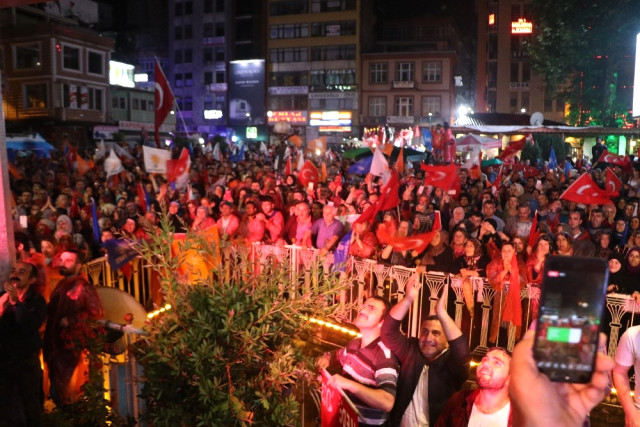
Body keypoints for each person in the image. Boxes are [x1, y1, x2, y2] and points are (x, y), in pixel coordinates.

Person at [381, 273, 470, 426]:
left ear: (447, 341)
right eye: (425, 332)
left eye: (436, 333)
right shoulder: (412, 349)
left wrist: (441, 313)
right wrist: (408, 299)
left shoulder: (452, 363)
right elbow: (388, 332)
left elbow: (462, 353)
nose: (428, 338)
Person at [316, 297, 399, 426]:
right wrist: (327, 358)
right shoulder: (355, 343)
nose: (363, 309)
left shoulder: (384, 356)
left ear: (382, 322)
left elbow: (387, 402)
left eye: (371, 308)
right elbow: (337, 355)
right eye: (364, 305)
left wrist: (349, 384)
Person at [511, 328, 613, 426]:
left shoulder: (591, 336)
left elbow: (606, 385)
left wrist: (585, 383)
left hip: (578, 413)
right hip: (538, 405)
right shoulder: (540, 327)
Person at [43, 249, 104, 405]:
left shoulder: (83, 287)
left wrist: (71, 320)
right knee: (58, 391)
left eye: (68, 261)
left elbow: (96, 312)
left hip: (71, 347)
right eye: (62, 260)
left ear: (78, 266)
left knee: (70, 393)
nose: (63, 263)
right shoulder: (62, 284)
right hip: (56, 345)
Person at [0, 262, 47, 427]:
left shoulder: (37, 301)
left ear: (32, 280)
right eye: (13, 271)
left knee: (29, 407)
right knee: (5, 408)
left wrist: (15, 303)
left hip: (25, 362)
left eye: (22, 272)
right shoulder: (2, 297)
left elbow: (29, 325)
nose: (15, 275)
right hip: (4, 361)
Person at [435, 347, 512, 426]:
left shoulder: (518, 416)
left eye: (497, 363)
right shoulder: (458, 400)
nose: (485, 363)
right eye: (484, 359)